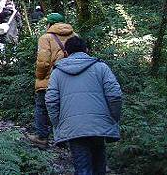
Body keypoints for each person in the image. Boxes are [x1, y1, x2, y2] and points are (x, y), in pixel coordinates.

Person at [45, 36, 122, 175]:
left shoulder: (57, 72)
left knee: (83, 169)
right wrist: (113, 117)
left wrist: (58, 123)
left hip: (74, 127)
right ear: (86, 50)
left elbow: (51, 101)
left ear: (66, 53)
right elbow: (115, 95)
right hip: (99, 125)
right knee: (99, 166)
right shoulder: (101, 67)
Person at [26, 12, 75, 147]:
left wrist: (40, 77)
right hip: (72, 80)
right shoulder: (75, 36)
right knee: (67, 109)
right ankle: (66, 139)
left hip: (50, 80)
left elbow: (43, 62)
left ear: (49, 24)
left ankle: (42, 137)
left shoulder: (46, 38)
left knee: (41, 107)